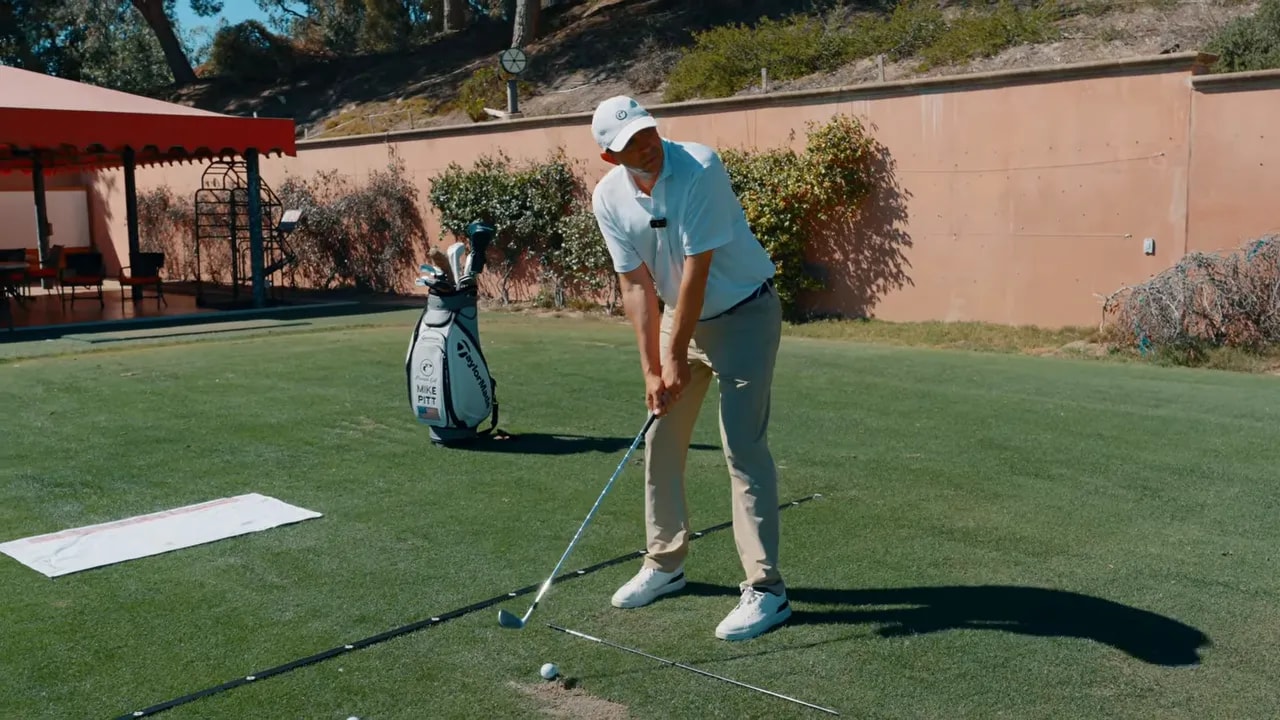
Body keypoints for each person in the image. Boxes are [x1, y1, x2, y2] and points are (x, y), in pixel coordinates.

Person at [588, 95, 789, 641]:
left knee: (742, 447)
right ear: (611, 156)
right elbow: (635, 287)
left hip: (744, 312)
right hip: (681, 317)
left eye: (647, 131)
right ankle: (665, 564)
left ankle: (766, 590)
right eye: (631, 142)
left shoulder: (700, 165)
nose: (647, 144)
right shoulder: (608, 198)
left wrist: (675, 354)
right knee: (662, 439)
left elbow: (698, 268)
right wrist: (653, 369)